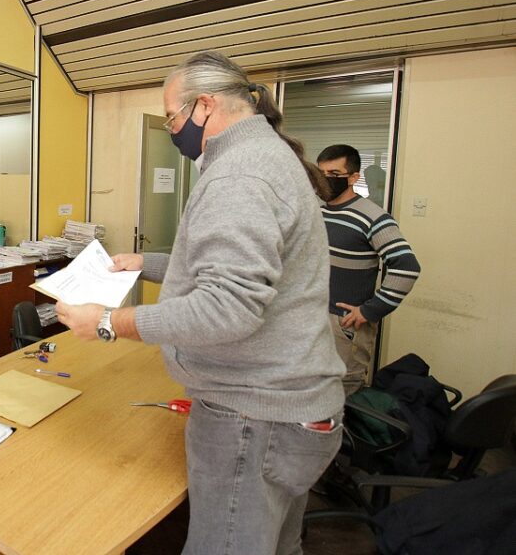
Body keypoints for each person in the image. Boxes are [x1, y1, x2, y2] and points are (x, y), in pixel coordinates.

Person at [56, 52, 346, 555]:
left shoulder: (239, 175)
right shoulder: (267, 158)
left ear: (205, 106)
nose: (172, 128)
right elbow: (246, 272)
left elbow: (228, 306)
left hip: (254, 418)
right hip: (290, 408)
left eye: (171, 116)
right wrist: (146, 262)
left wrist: (108, 321)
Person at [317, 144, 421, 395]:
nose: (325, 180)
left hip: (343, 326)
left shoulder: (373, 217)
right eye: (321, 173)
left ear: (353, 177)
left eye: (334, 174)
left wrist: (370, 310)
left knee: (340, 396)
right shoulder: (317, 209)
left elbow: (406, 267)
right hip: (312, 318)